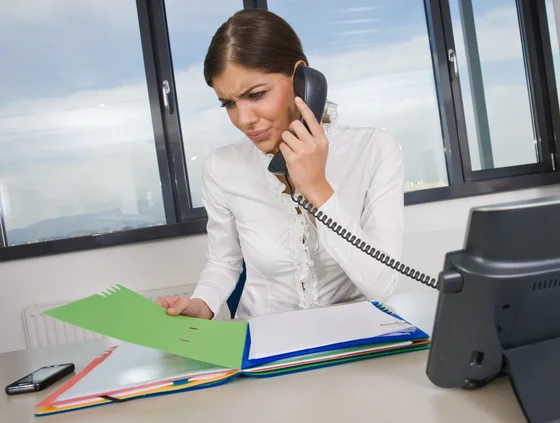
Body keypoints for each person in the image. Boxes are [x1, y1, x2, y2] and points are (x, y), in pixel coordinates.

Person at [157, 9, 404, 320]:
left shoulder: (374, 149)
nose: (244, 119)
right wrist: (201, 304)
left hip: (352, 337)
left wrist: (317, 189)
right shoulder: (222, 167)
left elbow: (382, 285)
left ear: (301, 81)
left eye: (256, 94)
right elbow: (224, 261)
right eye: (229, 104)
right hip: (262, 340)